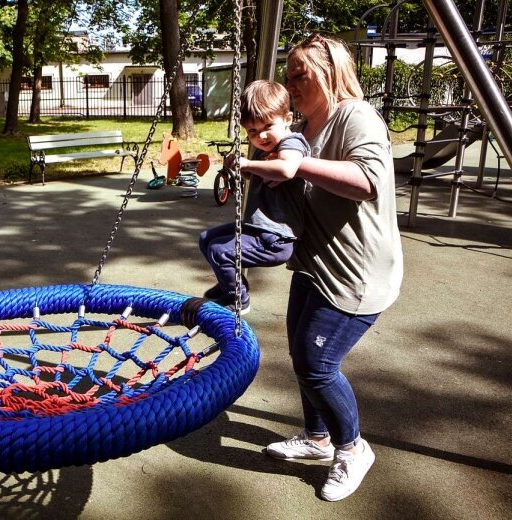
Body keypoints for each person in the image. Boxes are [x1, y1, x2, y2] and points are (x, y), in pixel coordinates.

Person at [242, 34, 403, 502]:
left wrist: (296, 167)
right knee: (299, 355)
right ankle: (317, 440)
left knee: (317, 364)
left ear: (329, 70)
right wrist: (256, 170)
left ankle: (352, 449)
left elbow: (367, 182)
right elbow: (289, 190)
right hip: (314, 265)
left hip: (357, 272)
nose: (290, 82)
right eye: (288, 74)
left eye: (299, 72)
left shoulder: (356, 115)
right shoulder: (303, 128)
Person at [199, 79, 311, 315]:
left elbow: (287, 169)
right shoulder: (265, 150)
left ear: (288, 119)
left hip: (275, 237)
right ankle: (231, 285)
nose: (261, 136)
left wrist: (249, 162)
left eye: (268, 126)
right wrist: (242, 167)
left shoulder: (292, 142)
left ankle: (238, 300)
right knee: (206, 239)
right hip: (258, 228)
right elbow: (261, 179)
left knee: (220, 252)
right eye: (252, 131)